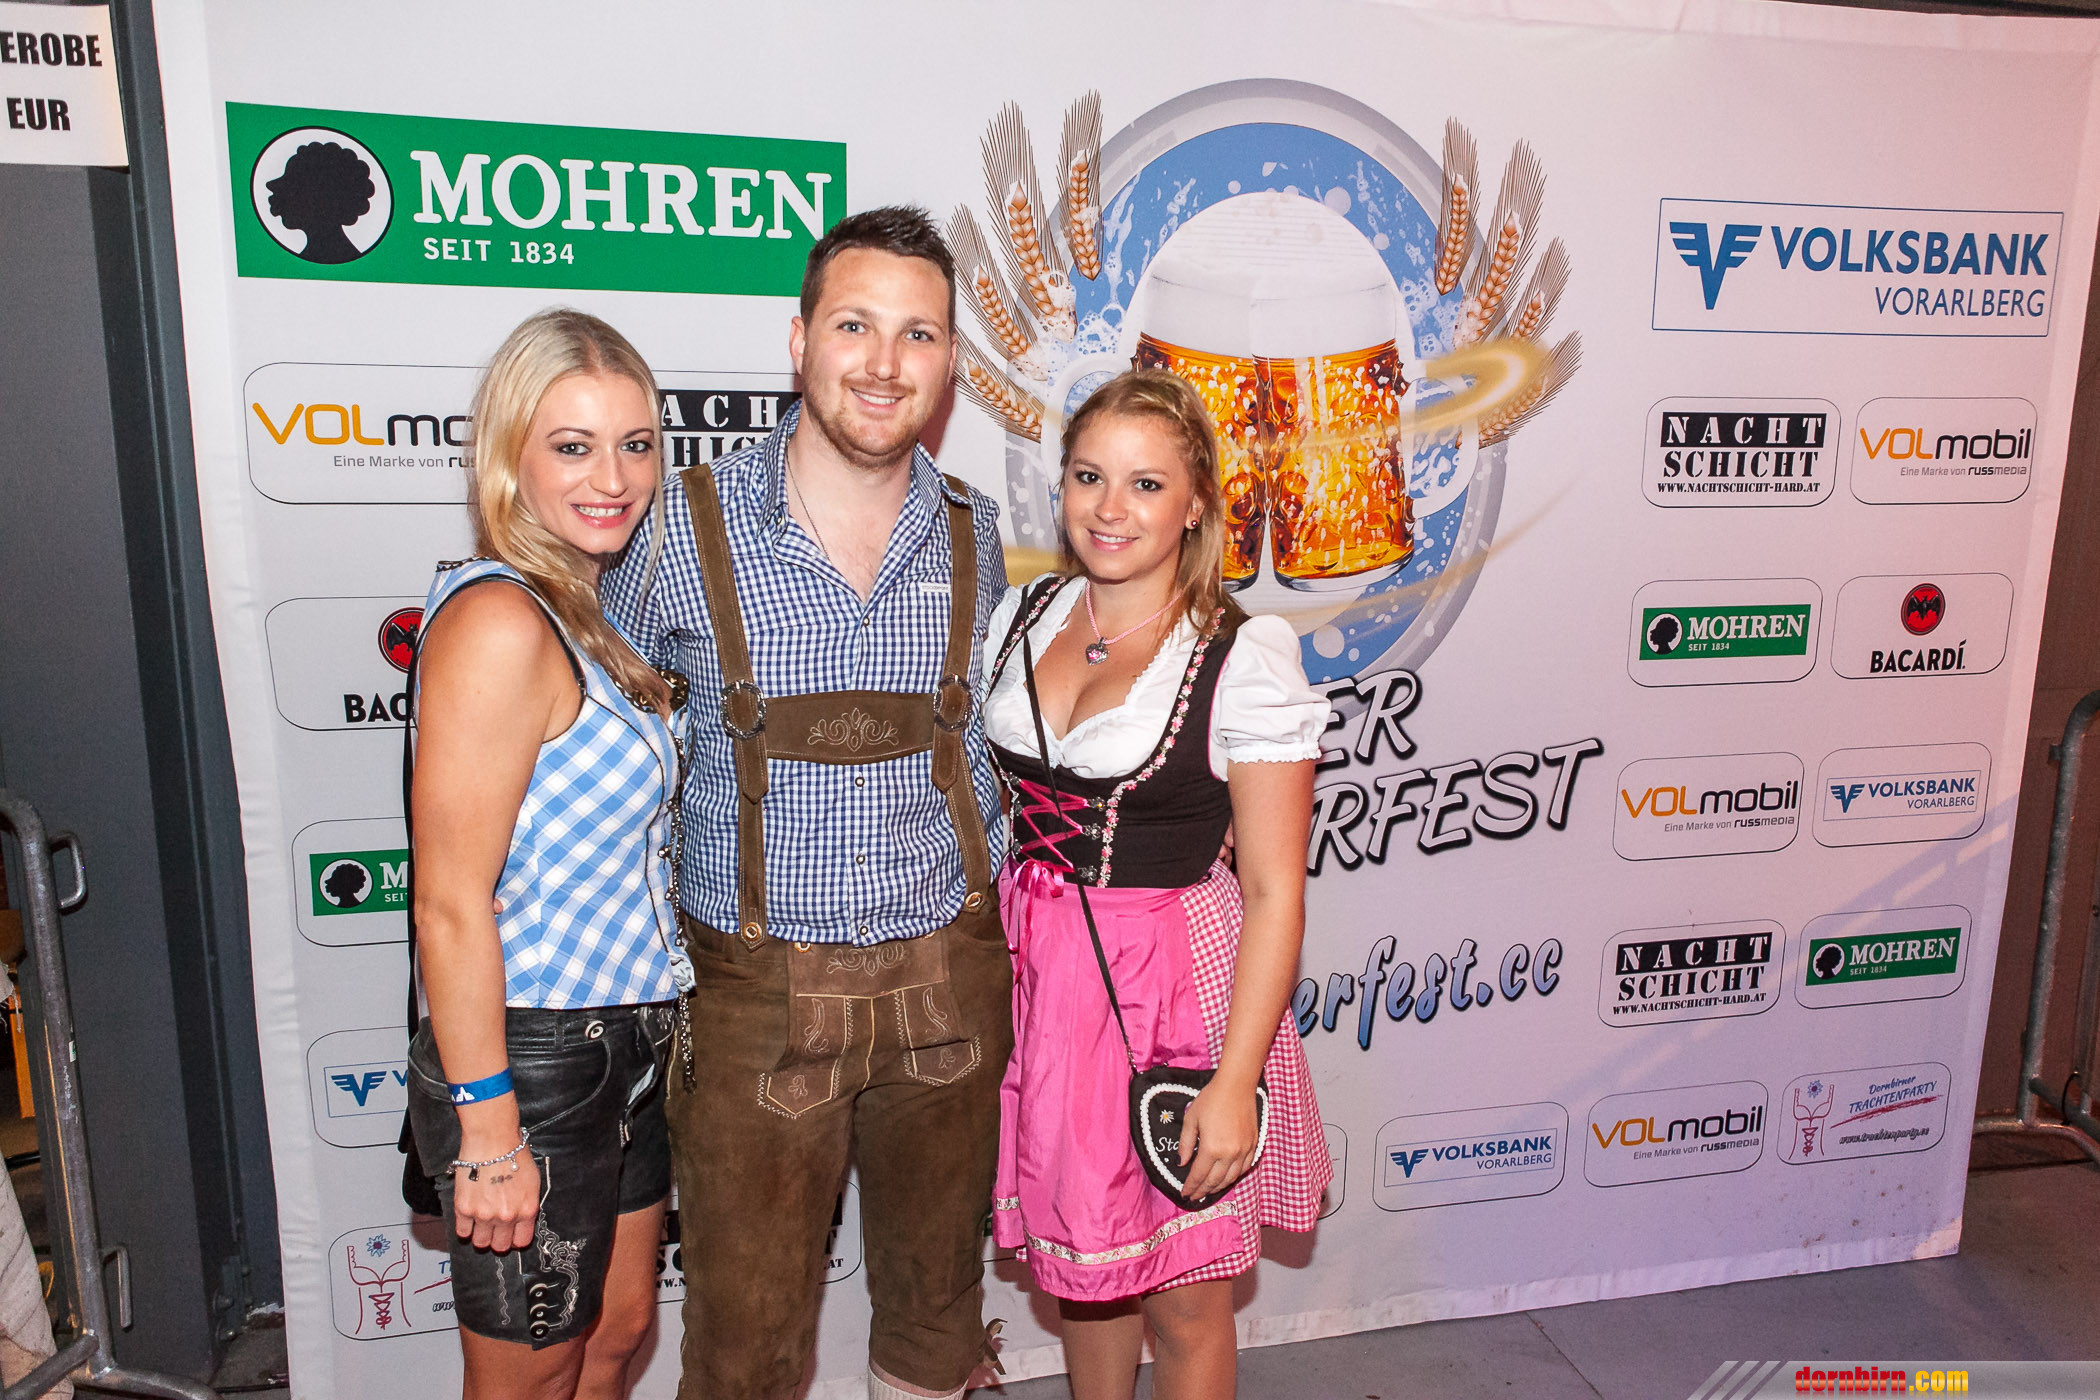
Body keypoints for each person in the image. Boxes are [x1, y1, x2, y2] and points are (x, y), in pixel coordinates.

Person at [598, 206, 1011, 1400]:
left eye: (917, 334)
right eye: (854, 325)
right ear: (798, 340)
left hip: (951, 974)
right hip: (752, 995)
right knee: (746, 1346)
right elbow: (602, 754)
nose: (884, 362)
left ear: (949, 363)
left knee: (940, 1319)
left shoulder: (977, 531)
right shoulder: (678, 524)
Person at [980, 369, 1331, 1400]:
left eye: (1145, 483)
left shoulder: (1241, 659)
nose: (1110, 508)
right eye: (1089, 476)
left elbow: (1274, 891)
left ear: (1195, 506)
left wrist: (1233, 1081)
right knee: (1087, 1282)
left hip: (1167, 985)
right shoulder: (1023, 614)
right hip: (1036, 978)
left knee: (1184, 1298)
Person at [405, 308, 690, 1400]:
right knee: (530, 1375)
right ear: (509, 455)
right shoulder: (500, 622)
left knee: (615, 1336)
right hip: (532, 1057)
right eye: (573, 446)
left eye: (635, 444)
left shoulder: (583, 607)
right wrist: (487, 1129)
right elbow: (448, 902)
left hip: (628, 1036)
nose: (612, 478)